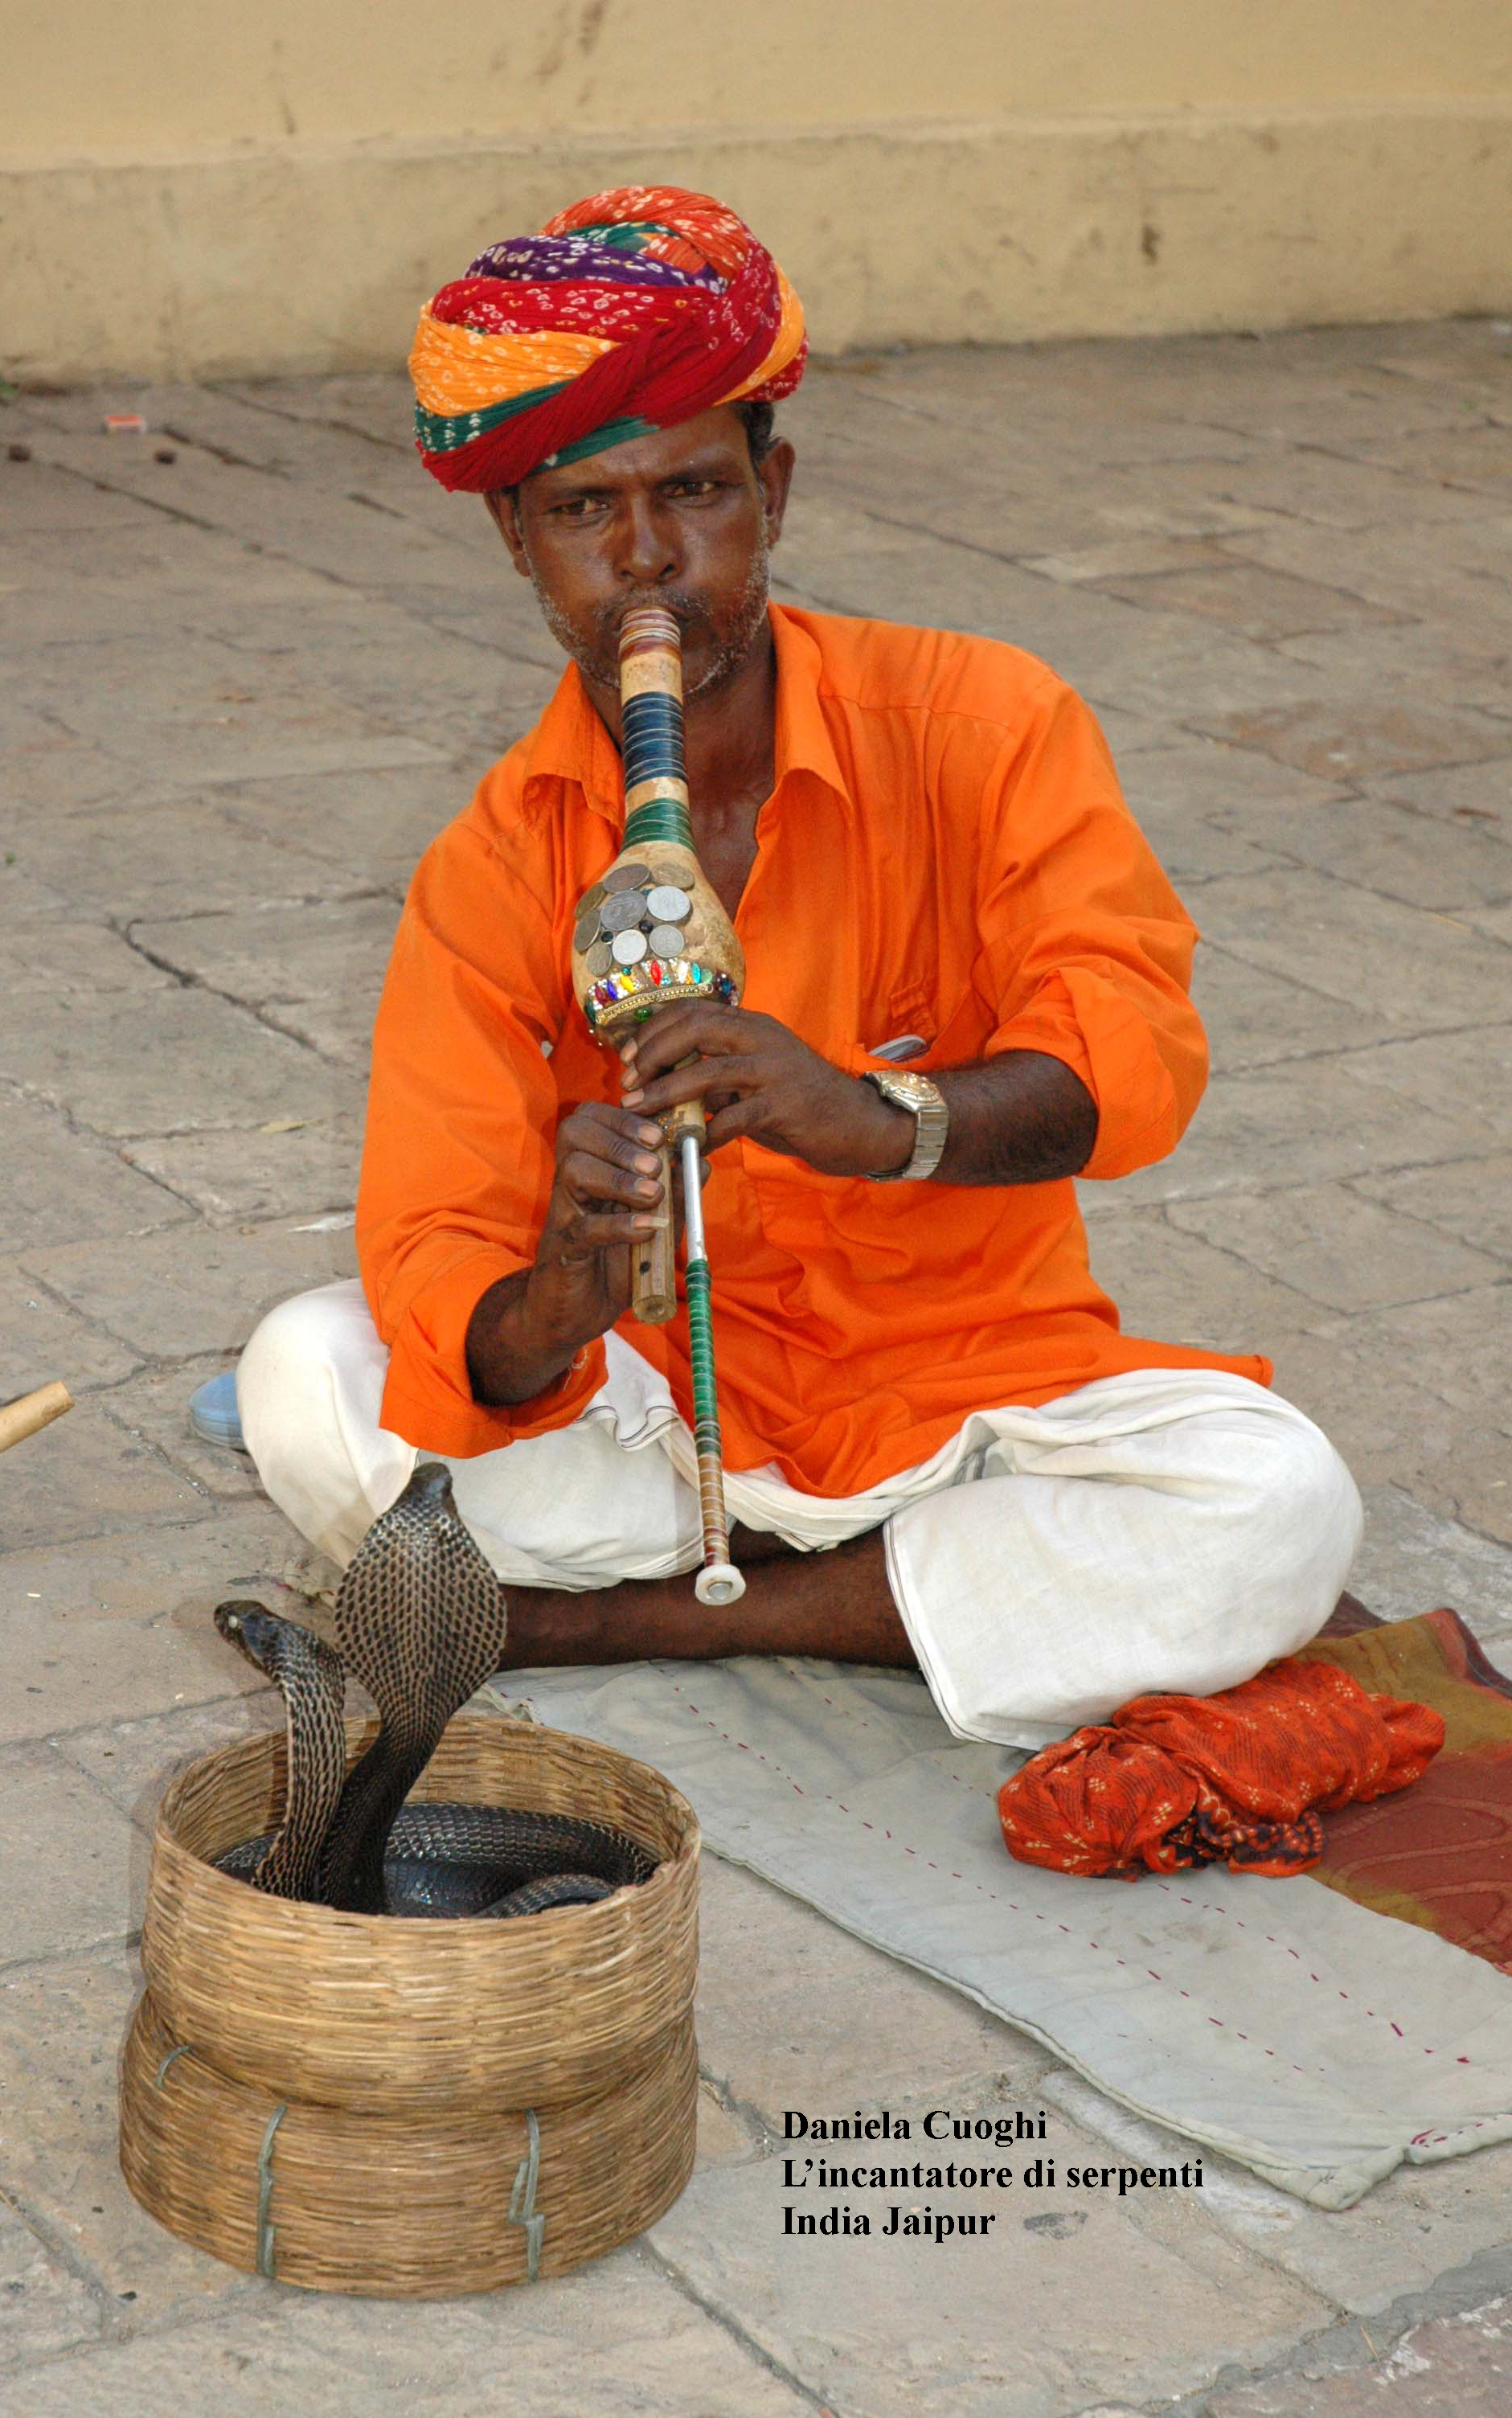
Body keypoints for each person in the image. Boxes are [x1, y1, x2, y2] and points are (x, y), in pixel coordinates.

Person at [233, 186, 1362, 1751]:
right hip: (654, 1406)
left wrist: (875, 1114)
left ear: (775, 490)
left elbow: (1135, 1054)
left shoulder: (984, 723)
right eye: (582, 512)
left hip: (968, 1394)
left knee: (1279, 1502)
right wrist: (560, 1283)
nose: (646, 563)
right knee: (306, 1372)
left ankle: (622, 1618)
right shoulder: (490, 862)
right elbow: (435, 1257)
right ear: (515, 537)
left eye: (693, 492)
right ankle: (888, 1590)